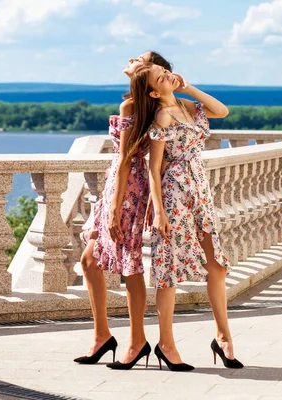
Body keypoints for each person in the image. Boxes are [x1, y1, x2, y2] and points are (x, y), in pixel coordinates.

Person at [132, 63, 244, 371]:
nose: (168, 74)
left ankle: (222, 337)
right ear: (155, 91)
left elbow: (222, 111)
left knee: (216, 265)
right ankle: (166, 344)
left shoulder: (187, 106)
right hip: (175, 196)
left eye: (165, 70)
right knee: (168, 268)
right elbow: (154, 169)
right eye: (160, 76)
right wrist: (159, 211)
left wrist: (189, 87)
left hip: (200, 194)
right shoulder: (161, 116)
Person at [74, 52, 172, 370]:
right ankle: (103, 337)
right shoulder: (149, 106)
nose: (130, 59)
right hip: (126, 184)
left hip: (125, 186)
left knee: (129, 265)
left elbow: (127, 158)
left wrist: (115, 208)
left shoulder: (131, 107)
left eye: (139, 58)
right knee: (90, 260)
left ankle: (136, 341)